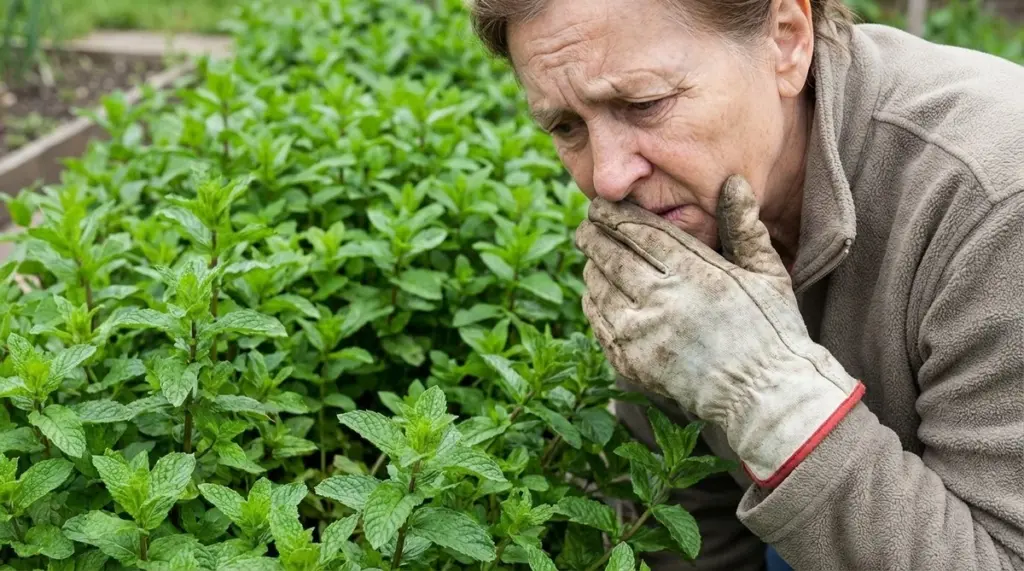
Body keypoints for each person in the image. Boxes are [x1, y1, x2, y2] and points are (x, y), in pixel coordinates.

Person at [467, 0, 1024, 569]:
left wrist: (764, 390)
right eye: (566, 127)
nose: (608, 177)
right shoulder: (683, 205)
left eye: (643, 104)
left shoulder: (997, 199)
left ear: (786, 40)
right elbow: (692, 528)